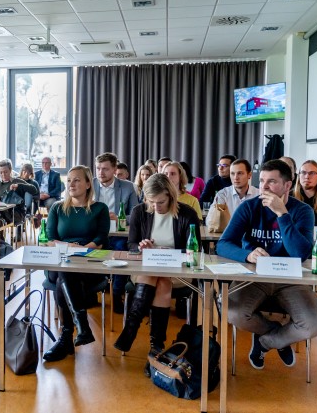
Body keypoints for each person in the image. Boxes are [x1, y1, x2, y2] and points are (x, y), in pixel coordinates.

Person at [217, 159, 317, 369]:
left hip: (290, 279)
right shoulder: (249, 207)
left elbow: (300, 253)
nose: (263, 187)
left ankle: (268, 340)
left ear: (287, 185)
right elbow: (223, 244)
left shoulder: (302, 211)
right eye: (262, 180)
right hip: (255, 277)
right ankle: (274, 331)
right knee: (232, 312)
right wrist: (247, 255)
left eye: (271, 182)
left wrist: (282, 214)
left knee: (313, 325)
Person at [113, 174, 201, 375]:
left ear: (171, 196)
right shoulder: (139, 212)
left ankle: (131, 329)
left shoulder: (187, 213)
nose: (155, 206)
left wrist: (169, 253)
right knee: (157, 277)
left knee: (161, 278)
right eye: (151, 202)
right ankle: (157, 347)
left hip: (179, 271)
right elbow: (131, 245)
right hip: (147, 269)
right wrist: (143, 247)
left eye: (160, 202)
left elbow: (195, 250)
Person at [42, 165, 110, 362]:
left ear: (88, 183)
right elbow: (50, 238)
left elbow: (100, 238)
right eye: (69, 180)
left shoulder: (99, 209)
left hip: (89, 262)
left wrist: (81, 250)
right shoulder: (57, 208)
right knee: (65, 271)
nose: (71, 184)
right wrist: (67, 248)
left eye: (77, 180)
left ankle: (66, 338)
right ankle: (81, 327)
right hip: (61, 260)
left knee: (66, 274)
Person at [92, 152, 139, 313]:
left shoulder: (127, 187)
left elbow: (135, 214)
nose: (100, 173)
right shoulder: (89, 185)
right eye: (98, 168)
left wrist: (118, 218)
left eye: (105, 169)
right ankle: (90, 290)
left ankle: (117, 293)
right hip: (94, 232)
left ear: (114, 169)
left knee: (121, 252)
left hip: (118, 233)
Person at [0, 159, 38, 247]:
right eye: (1, 173)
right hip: (1, 214)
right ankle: (1, 246)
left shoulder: (17, 181)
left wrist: (19, 186)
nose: (3, 175)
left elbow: (34, 190)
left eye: (6, 172)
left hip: (16, 214)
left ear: (10, 170)